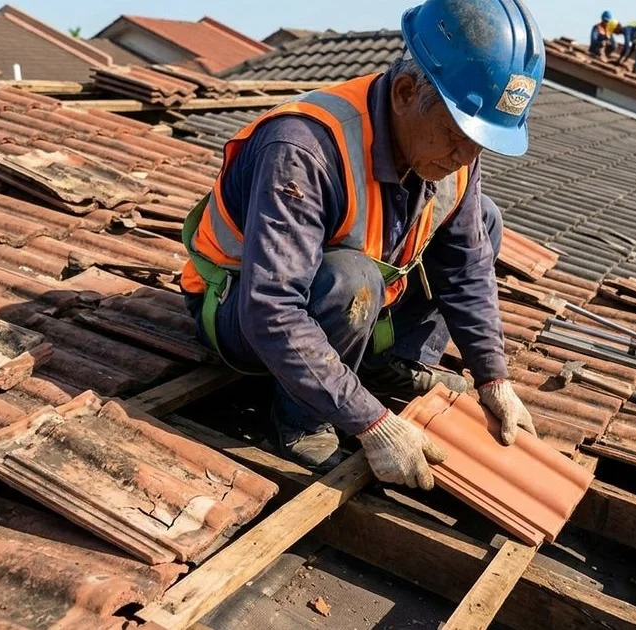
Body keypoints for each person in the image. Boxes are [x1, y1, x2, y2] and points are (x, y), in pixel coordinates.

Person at [179, 0, 544, 491]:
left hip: (338, 305)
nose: (466, 156)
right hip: (237, 312)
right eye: (458, 136)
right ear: (406, 92)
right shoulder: (302, 148)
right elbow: (272, 310)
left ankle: (390, 361)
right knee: (353, 280)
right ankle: (303, 418)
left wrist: (493, 377)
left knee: (484, 220)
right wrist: (374, 424)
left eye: (480, 143)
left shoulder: (455, 151)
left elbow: (465, 269)